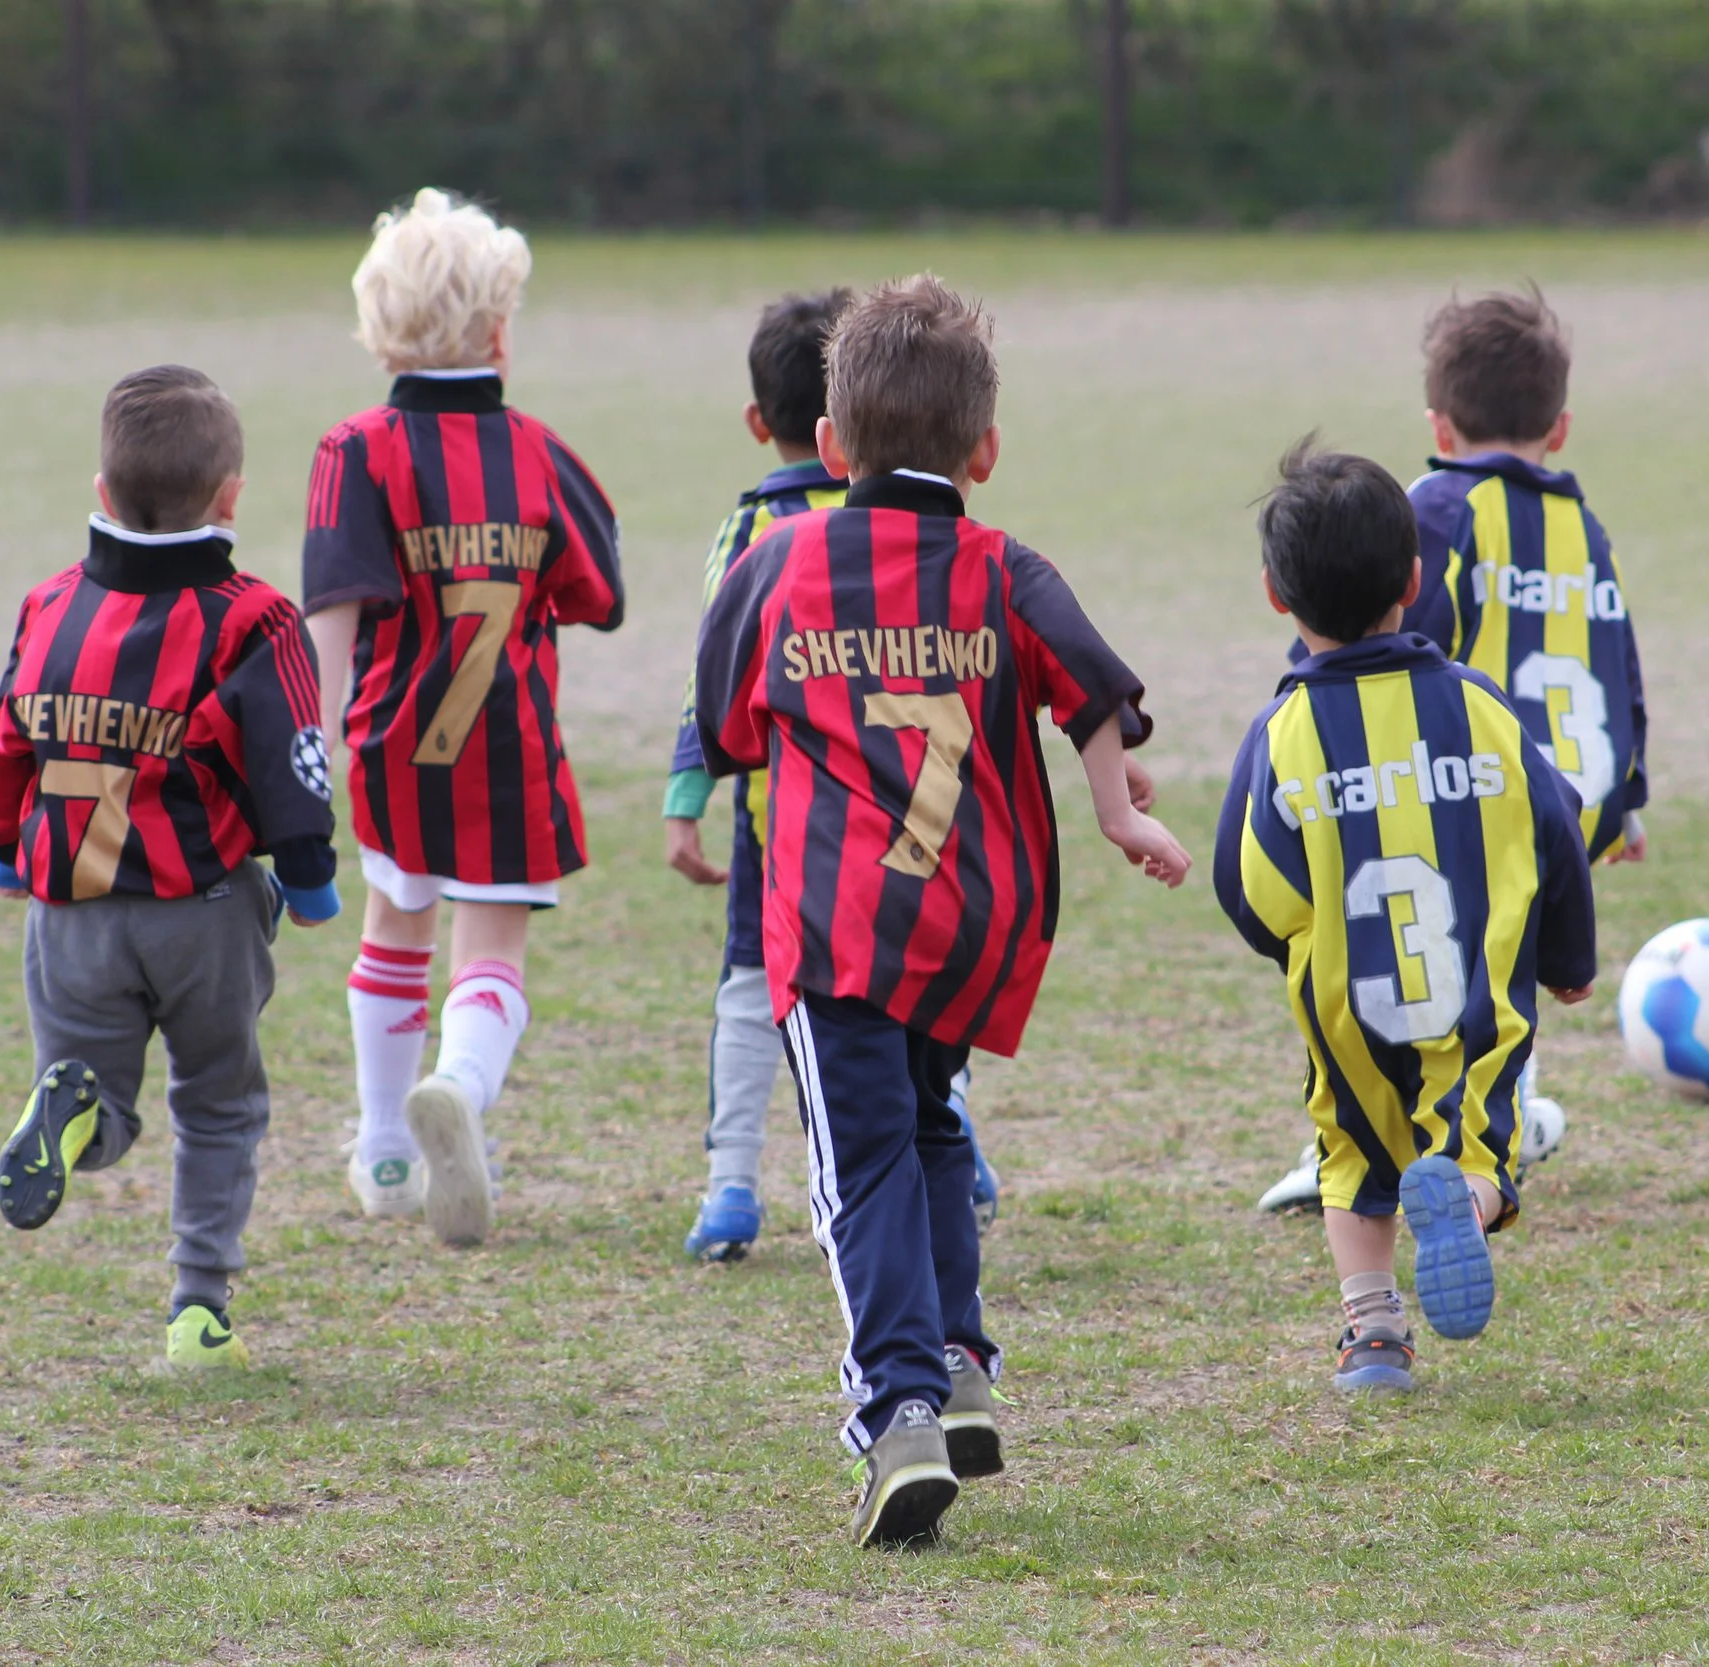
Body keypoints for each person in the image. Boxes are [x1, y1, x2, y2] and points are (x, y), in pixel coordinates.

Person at [696, 275, 1191, 1545]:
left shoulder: (781, 563)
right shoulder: (1002, 567)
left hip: (840, 921)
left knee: (855, 1166)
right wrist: (1116, 808)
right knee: (928, 1136)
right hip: (970, 921)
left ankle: (898, 1409)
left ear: (826, 445)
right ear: (984, 452)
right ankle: (960, 1360)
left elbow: (728, 722)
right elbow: (1090, 683)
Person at [0, 364, 341, 1370]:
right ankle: (198, 1308)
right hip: (201, 910)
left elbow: (1, 741)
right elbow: (290, 754)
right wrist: (309, 875)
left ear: (101, 494)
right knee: (218, 1101)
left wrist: (6, 850)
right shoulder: (253, 618)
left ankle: (76, 1105)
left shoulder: (49, 604)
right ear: (231, 497)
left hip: (70, 912)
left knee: (109, 1105)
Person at [1214, 441, 1597, 1394]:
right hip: (1474, 1002)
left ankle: (1374, 1333)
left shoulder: (1283, 732)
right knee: (1478, 1144)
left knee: (1350, 1155)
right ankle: (1464, 1199)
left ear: (1275, 594)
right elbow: (1555, 834)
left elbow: (1248, 885)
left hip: (1351, 1004)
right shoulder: (1482, 710)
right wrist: (1568, 955)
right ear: (1416, 579)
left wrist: (1294, 943)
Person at [1259, 287, 1644, 1212]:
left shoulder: (1439, 507)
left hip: (1462, 786)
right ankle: (1509, 1117)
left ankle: (1389, 1148)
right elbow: (1616, 653)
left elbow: (1389, 640)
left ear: (1436, 420)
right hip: (1576, 781)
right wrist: (1625, 795)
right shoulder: (1583, 527)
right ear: (1560, 427)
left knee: (1425, 955)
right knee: (1502, 948)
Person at [300, 189, 623, 1246]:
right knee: (492, 951)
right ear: (497, 330)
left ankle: (386, 1148)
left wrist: (311, 743)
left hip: (394, 744)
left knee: (393, 924)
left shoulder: (354, 449)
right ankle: (461, 1086)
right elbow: (597, 595)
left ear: (378, 330)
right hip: (509, 744)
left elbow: (332, 624)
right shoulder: (539, 452)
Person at [664, 290, 1002, 1263]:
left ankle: (731, 1183)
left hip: (786, 821)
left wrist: (687, 793)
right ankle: (953, 1130)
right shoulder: (922, 519)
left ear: (761, 423)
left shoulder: (757, 533)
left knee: (748, 983)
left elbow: (710, 669)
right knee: (920, 984)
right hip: (919, 808)